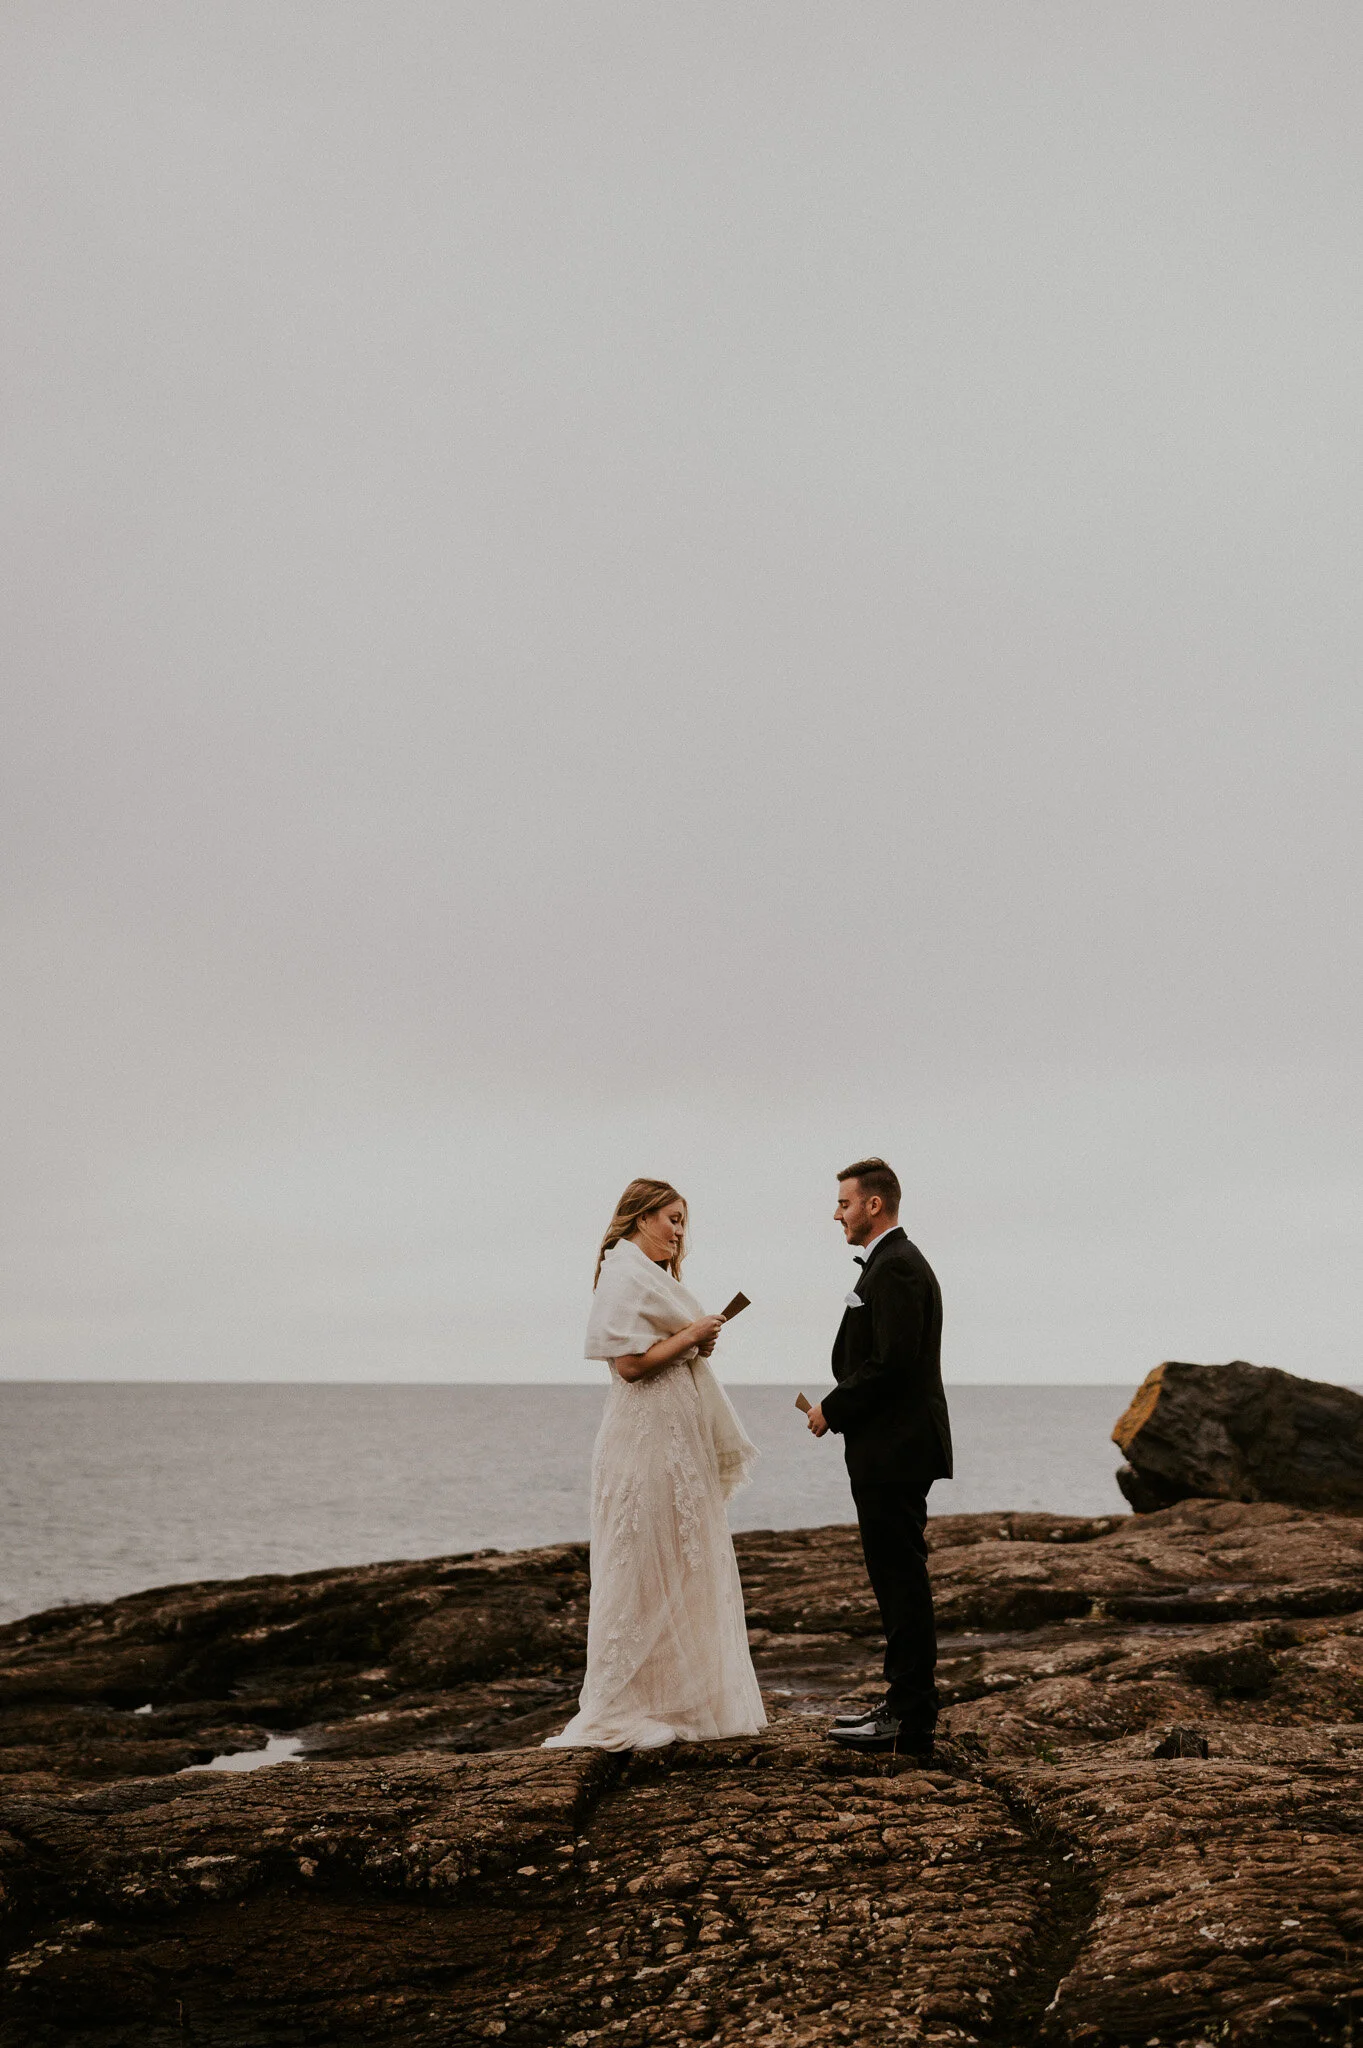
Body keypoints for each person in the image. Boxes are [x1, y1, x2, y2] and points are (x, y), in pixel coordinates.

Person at [544, 1178, 767, 1751]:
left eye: (683, 1221)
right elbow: (629, 1365)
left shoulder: (654, 1278)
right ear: (640, 1217)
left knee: (683, 1562)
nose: (678, 1230)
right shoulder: (622, 1273)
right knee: (641, 1563)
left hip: (675, 1437)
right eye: (671, 1218)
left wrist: (696, 1342)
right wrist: (690, 1334)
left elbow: (663, 1350)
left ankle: (681, 1694)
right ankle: (630, 1700)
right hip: (643, 1439)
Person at [805, 1156, 952, 1758]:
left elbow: (893, 1363)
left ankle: (910, 1719)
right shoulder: (889, 1265)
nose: (835, 1212)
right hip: (890, 1449)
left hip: (895, 1451)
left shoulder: (897, 1269)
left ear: (873, 1204)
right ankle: (902, 1707)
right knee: (896, 1581)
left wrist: (831, 1410)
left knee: (900, 1583)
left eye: (843, 1202)